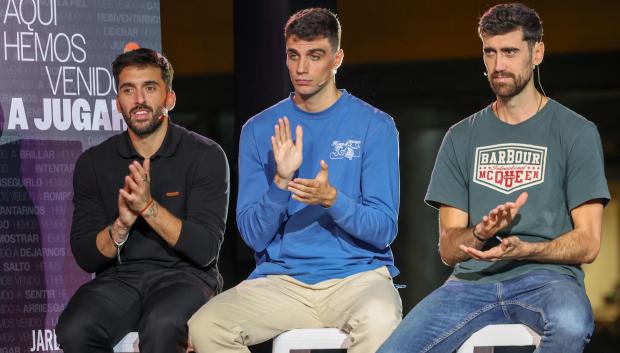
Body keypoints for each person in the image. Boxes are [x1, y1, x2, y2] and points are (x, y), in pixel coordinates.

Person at [378, 3, 610, 353]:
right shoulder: (461, 136)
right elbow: (448, 249)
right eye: (490, 52)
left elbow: (589, 242)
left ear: (537, 53)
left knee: (571, 323)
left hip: (548, 280)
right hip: (469, 284)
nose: (498, 65)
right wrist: (480, 233)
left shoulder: (575, 132)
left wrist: (530, 248)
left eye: (510, 52)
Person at [188, 8, 401, 353]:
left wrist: (333, 199)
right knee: (205, 327)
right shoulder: (259, 130)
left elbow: (384, 229)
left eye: (314, 56)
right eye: (293, 55)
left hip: (357, 278)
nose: (301, 68)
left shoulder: (374, 126)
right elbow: (254, 236)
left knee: (382, 320)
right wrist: (281, 182)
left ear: (337, 58)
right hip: (282, 282)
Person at [55, 48, 229, 353]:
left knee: (162, 327)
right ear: (118, 103)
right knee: (74, 329)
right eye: (128, 90)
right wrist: (121, 225)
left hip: (186, 277)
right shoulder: (94, 162)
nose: (139, 100)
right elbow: (86, 255)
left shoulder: (205, 155)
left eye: (149, 88)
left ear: (169, 98)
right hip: (121, 279)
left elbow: (205, 250)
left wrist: (148, 208)